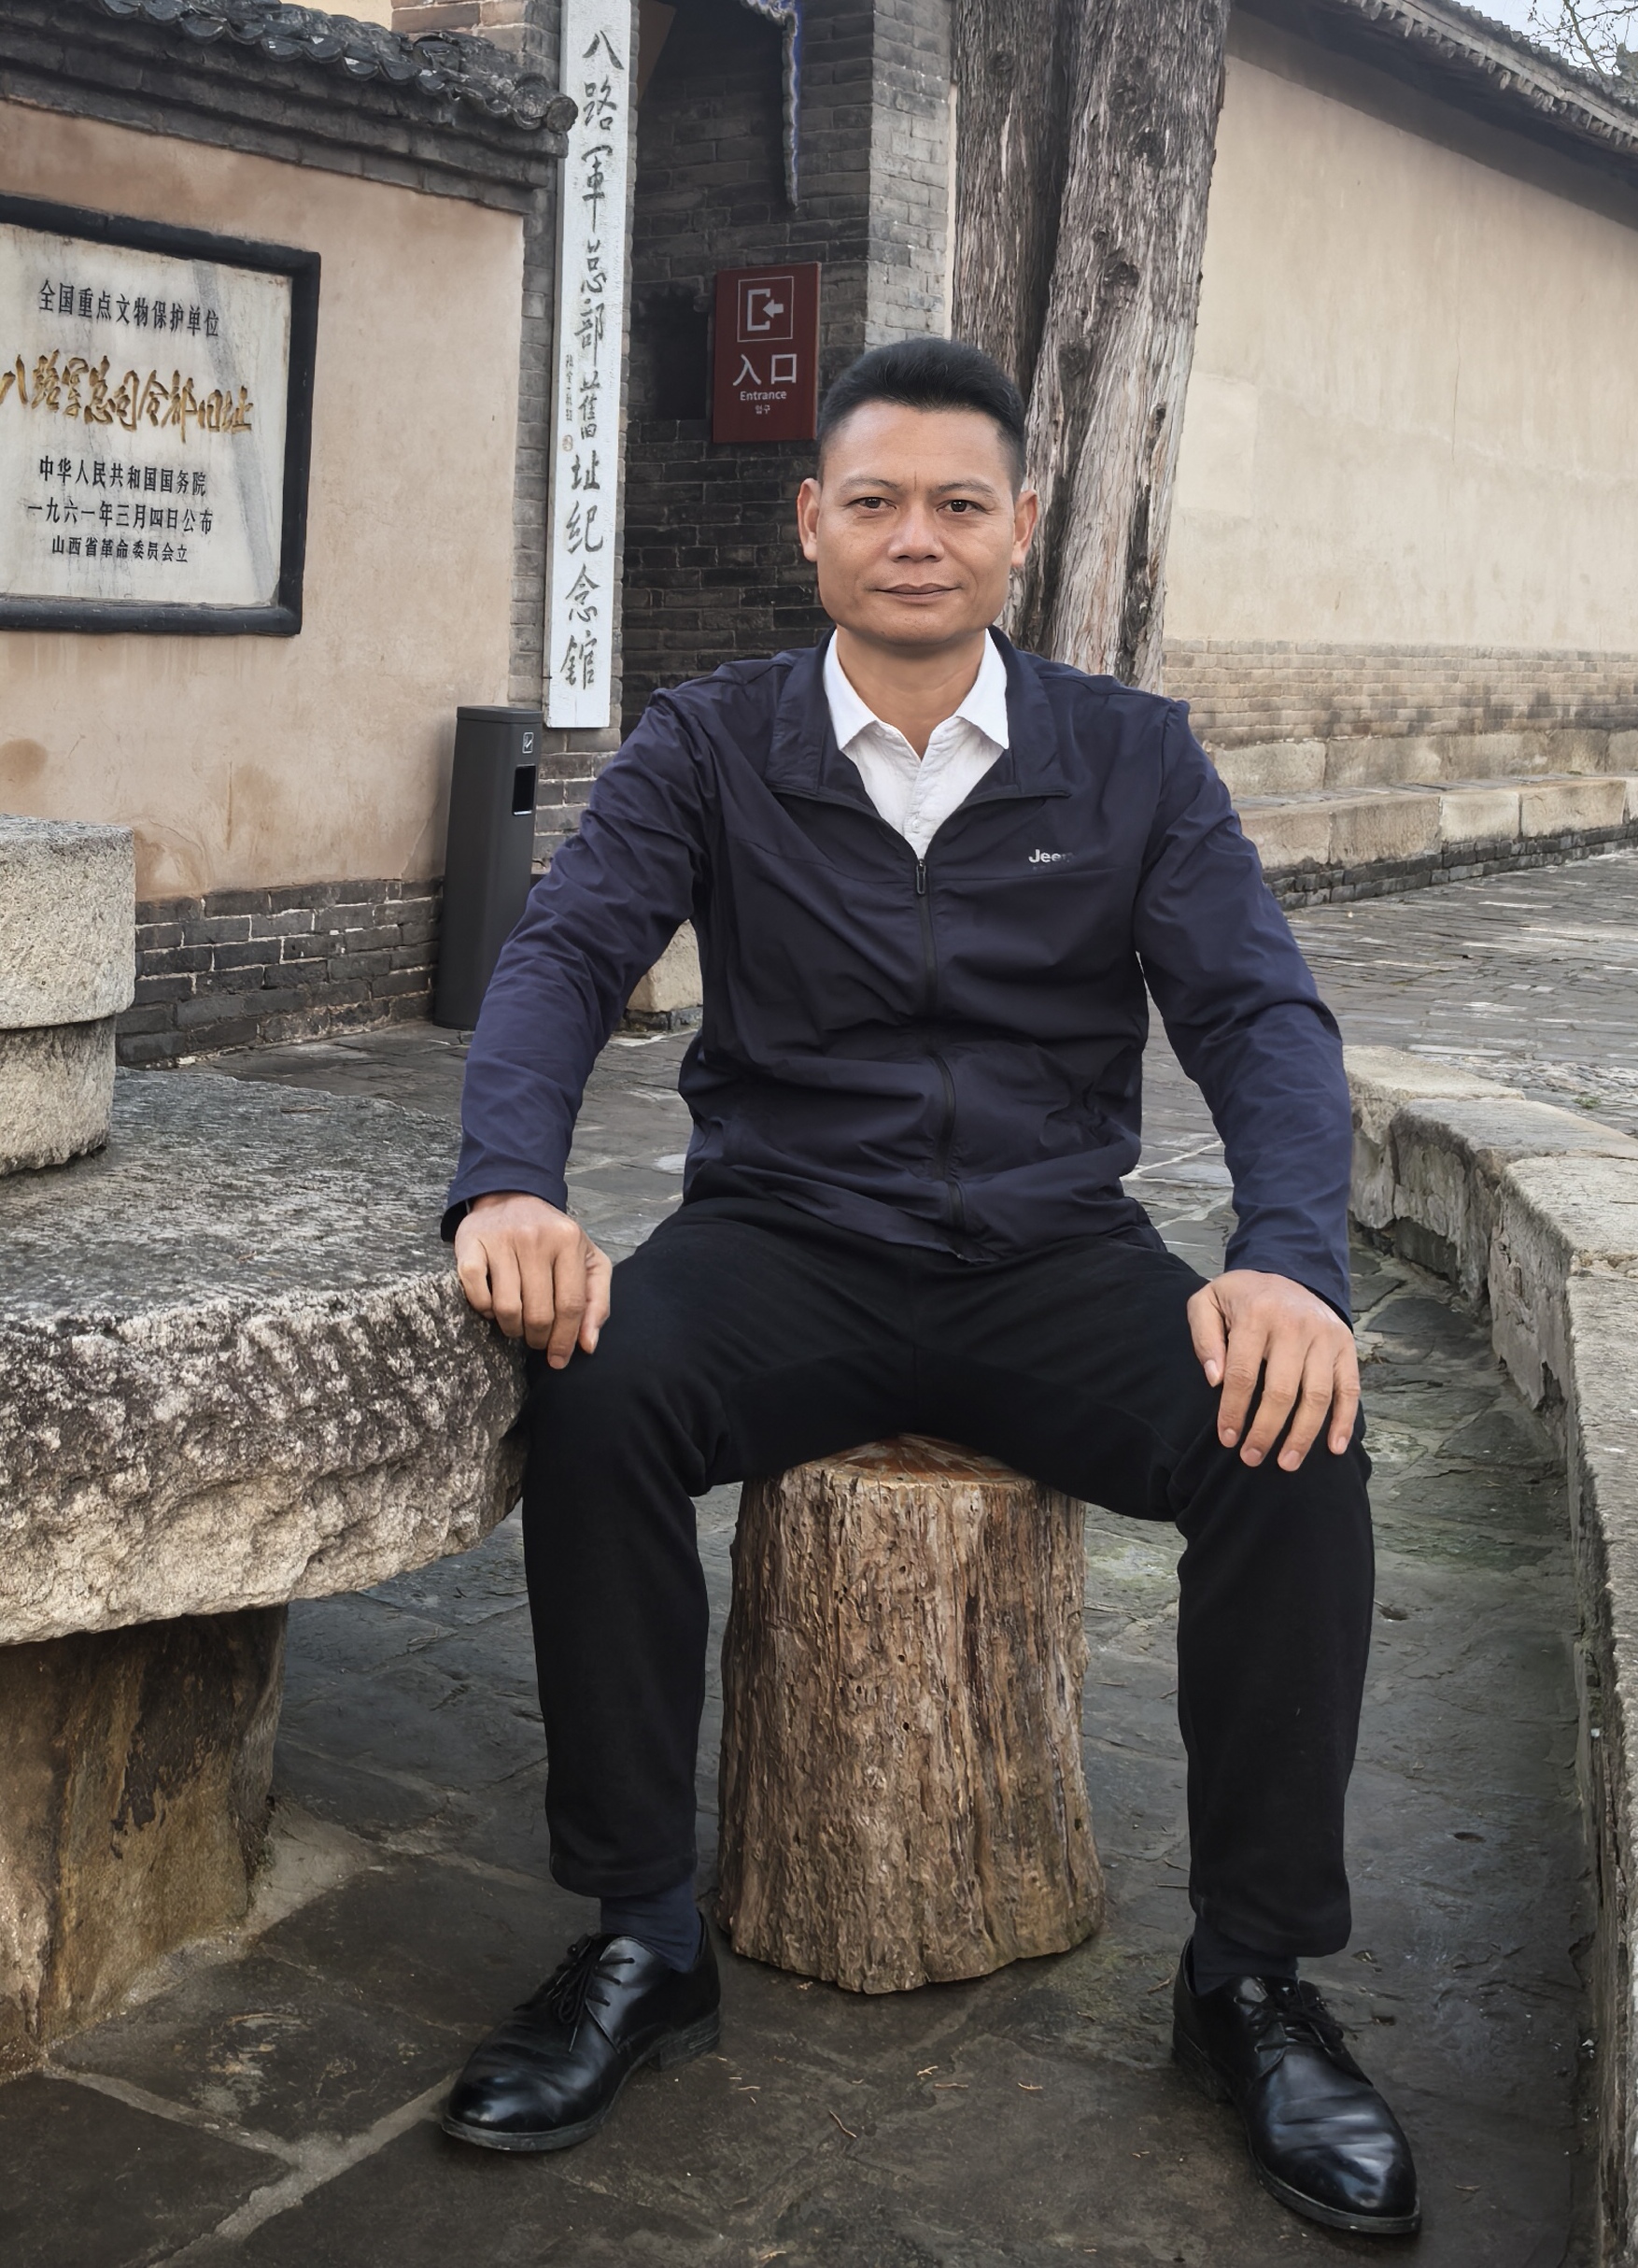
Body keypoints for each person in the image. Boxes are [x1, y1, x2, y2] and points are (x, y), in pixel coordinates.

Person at [436, 337, 1420, 2238]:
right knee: (598, 1389)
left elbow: (1258, 1017)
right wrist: (508, 1186)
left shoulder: (1130, 756)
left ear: (1018, 528)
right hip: (786, 1238)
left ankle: (1253, 1977)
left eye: (958, 503)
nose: (916, 537)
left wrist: (1290, 1260)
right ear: (809, 523)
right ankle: (643, 1928)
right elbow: (562, 955)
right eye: (874, 500)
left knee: (1292, 1435)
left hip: (1052, 1253)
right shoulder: (710, 741)